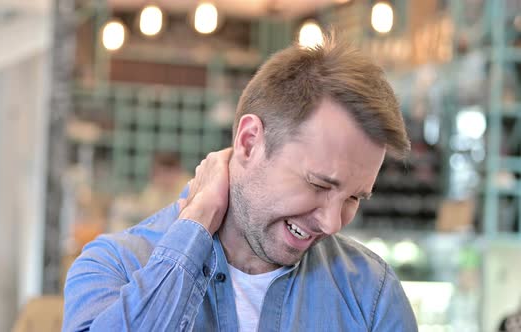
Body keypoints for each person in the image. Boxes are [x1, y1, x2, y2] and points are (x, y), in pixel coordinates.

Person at [63, 33, 418, 331]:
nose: (331, 222)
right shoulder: (116, 266)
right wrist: (197, 222)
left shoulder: (372, 295)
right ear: (249, 142)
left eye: (354, 198)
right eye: (319, 185)